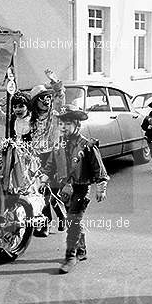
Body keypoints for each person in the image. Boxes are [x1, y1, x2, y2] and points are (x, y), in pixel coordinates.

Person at [41, 105, 108, 274]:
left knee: (72, 219)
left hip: (81, 187)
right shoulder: (58, 145)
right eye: (61, 124)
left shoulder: (87, 145)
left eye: (68, 124)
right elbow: (50, 165)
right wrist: (43, 179)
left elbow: (98, 169)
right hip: (65, 189)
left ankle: (70, 256)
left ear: (77, 125)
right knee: (74, 219)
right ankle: (82, 250)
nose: (63, 127)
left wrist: (101, 188)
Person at [28, 69, 66, 237]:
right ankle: (45, 226)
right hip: (36, 158)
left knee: (52, 192)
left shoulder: (55, 114)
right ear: (35, 102)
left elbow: (60, 95)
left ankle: (62, 216)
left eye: (48, 98)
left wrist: (54, 80)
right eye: (42, 98)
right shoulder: (31, 119)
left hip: (53, 157)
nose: (46, 101)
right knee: (40, 193)